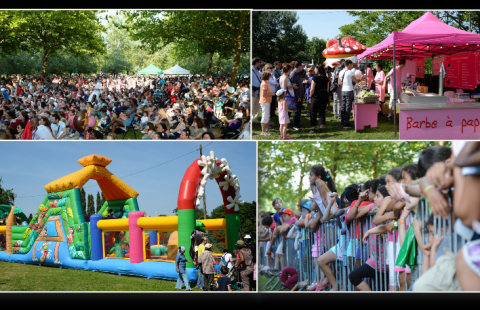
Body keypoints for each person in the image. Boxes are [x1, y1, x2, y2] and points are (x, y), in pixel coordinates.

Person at [338, 59, 365, 128]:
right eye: (351, 64)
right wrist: (361, 79)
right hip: (349, 91)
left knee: (343, 107)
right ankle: (346, 123)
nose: (352, 66)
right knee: (347, 107)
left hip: (343, 91)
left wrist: (345, 84)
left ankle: (342, 121)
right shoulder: (350, 72)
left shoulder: (341, 72)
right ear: (349, 64)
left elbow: (339, 82)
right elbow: (356, 81)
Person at [309, 65, 330, 134]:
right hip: (324, 95)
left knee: (313, 112)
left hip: (316, 96)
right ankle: (321, 128)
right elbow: (327, 89)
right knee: (322, 112)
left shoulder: (315, 77)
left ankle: (313, 128)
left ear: (317, 70)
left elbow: (312, 89)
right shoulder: (326, 78)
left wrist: (310, 96)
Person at [289, 61, 304, 131]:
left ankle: (297, 123)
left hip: (299, 96)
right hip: (295, 96)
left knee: (298, 111)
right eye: (302, 65)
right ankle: (294, 125)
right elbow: (294, 87)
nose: (303, 67)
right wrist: (297, 97)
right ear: (299, 66)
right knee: (296, 111)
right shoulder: (293, 74)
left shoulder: (297, 73)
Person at [259, 72, 275, 136]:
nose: (270, 77)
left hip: (266, 101)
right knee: (265, 116)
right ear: (267, 76)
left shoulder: (266, 82)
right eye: (269, 76)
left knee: (266, 116)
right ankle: (263, 131)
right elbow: (264, 94)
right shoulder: (264, 83)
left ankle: (265, 129)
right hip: (265, 101)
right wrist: (272, 93)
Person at [251, 58, 262, 123]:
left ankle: (255, 119)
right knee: (252, 106)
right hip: (254, 90)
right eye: (259, 62)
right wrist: (252, 91)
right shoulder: (251, 69)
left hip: (258, 90)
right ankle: (251, 120)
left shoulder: (257, 70)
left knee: (257, 106)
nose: (260, 63)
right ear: (256, 62)